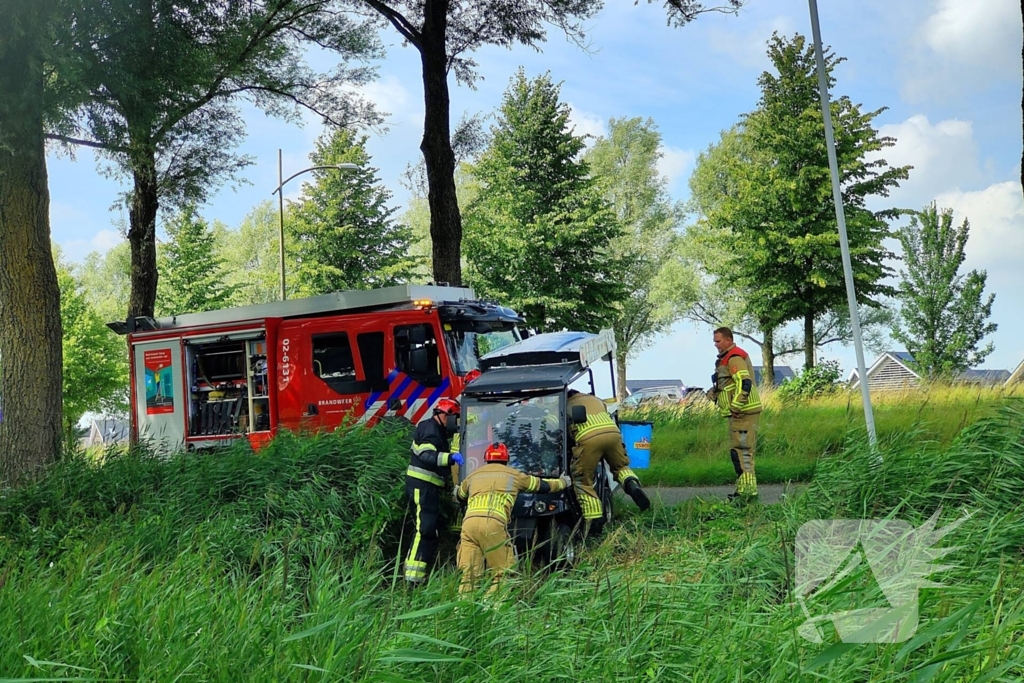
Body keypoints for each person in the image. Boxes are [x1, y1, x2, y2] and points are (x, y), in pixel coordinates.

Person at [455, 442, 570, 594]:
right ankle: (493, 608)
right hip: (493, 523)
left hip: (468, 525)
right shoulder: (514, 475)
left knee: (469, 576)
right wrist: (563, 482)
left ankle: (462, 611)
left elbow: (459, 496)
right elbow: (542, 486)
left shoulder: (474, 475)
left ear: (486, 459)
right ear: (506, 459)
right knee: (503, 573)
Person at [566, 389, 651, 524]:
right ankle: (632, 484)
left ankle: (594, 522)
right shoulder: (595, 399)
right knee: (620, 466)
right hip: (613, 434)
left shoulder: (565, 405)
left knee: (582, 480)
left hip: (588, 439)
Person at [404, 397, 463, 584]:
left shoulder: (435, 429)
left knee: (428, 530)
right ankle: (412, 579)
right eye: (456, 419)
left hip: (427, 488)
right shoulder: (430, 429)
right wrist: (450, 458)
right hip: (422, 488)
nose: (455, 424)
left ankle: (417, 575)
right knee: (424, 530)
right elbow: (426, 455)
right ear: (446, 416)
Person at [706, 327, 763, 501]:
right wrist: (714, 392)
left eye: (718, 341)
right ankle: (744, 490)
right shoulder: (727, 359)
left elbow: (744, 382)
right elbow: (730, 383)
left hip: (742, 413)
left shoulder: (734, 357)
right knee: (739, 452)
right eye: (715, 341)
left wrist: (736, 406)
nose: (715, 345)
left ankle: (747, 493)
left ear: (729, 340)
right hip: (739, 413)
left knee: (742, 451)